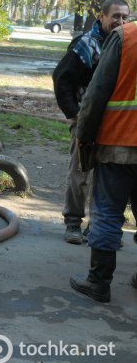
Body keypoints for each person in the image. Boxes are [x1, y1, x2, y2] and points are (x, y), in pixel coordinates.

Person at [52, 0, 130, 245]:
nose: (120, 21)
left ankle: (97, 228)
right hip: (85, 120)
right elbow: (61, 78)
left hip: (113, 124)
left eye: (125, 17)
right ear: (102, 17)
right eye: (115, 16)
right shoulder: (87, 44)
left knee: (105, 177)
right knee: (79, 172)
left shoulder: (123, 44)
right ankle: (73, 223)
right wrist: (74, 114)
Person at [70, 19, 137, 303]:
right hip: (121, 140)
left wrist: (83, 136)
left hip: (120, 142)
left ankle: (98, 282)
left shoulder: (127, 36)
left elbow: (97, 92)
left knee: (108, 211)